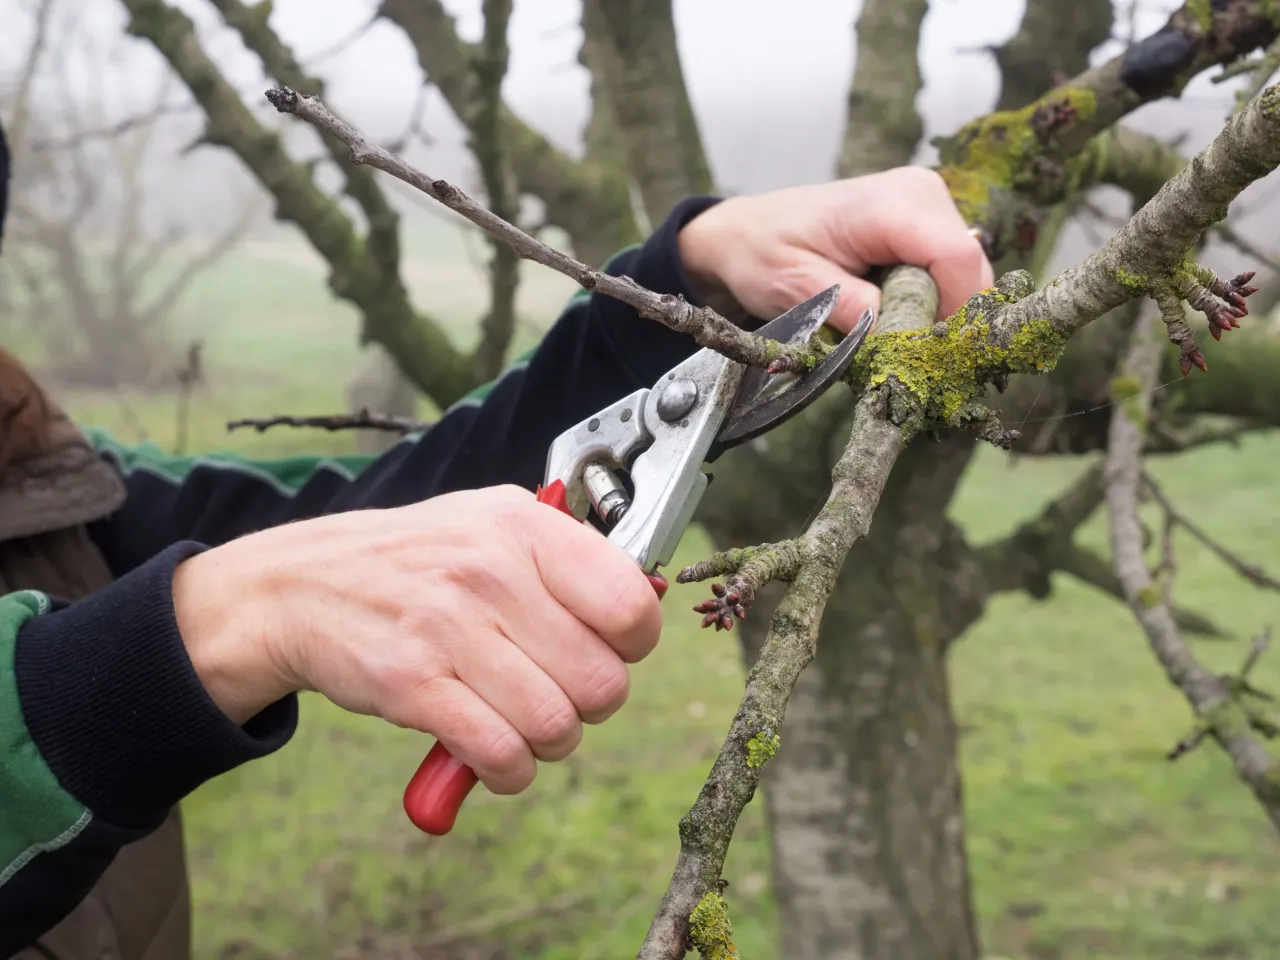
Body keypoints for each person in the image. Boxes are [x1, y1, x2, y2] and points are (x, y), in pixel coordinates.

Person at [0, 107, 993, 957]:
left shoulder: (47, 479)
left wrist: (688, 292)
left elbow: (379, 516)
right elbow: (275, 575)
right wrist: (206, 628)